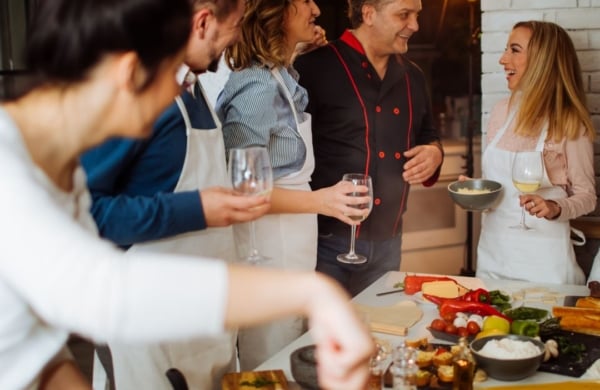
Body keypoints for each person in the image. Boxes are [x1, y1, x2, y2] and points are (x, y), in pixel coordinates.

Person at [0, 0, 375, 389]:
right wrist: (313, 294)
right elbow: (108, 294)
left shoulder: (57, 169)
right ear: (130, 74)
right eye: (175, 77)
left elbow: (38, 358)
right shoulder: (10, 173)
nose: (184, 88)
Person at [79, 0, 266, 388]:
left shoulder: (192, 90)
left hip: (200, 323)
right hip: (147, 330)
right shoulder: (136, 90)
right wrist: (197, 208)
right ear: (202, 23)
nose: (238, 38)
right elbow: (86, 213)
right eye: (237, 24)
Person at [215, 0, 371, 370]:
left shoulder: (278, 78)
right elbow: (243, 190)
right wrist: (323, 201)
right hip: (268, 247)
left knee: (288, 345)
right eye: (303, 0)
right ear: (277, 13)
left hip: (290, 242)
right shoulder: (255, 87)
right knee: (271, 357)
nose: (317, 8)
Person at [293, 0, 444, 297]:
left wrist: (435, 152)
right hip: (326, 245)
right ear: (369, 14)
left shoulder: (413, 76)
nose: (415, 25)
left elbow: (428, 134)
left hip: (390, 244)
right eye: (404, 15)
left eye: (416, 15)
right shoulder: (314, 66)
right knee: (324, 340)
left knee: (378, 338)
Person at [475, 20, 596, 284]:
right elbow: (499, 187)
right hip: (493, 258)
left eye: (514, 50)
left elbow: (587, 197)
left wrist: (554, 207)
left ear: (542, 60)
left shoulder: (568, 122)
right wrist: (477, 192)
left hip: (544, 268)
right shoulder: (499, 112)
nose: (503, 59)